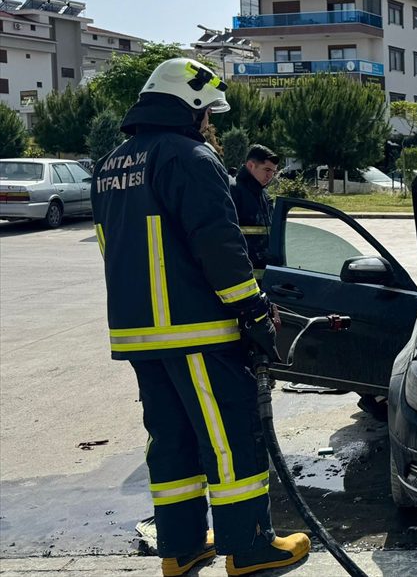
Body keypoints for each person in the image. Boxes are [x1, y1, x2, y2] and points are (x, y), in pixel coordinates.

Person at [90, 58, 309, 577]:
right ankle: (250, 547)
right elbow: (218, 245)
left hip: (141, 335)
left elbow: (113, 249)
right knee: (228, 437)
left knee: (172, 441)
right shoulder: (190, 157)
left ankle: (181, 547)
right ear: (187, 105)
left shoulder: (111, 165)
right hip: (198, 331)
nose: (210, 121)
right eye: (207, 110)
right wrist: (253, 308)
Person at [230, 145, 280, 281]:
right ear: (251, 165)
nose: (270, 176)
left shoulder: (264, 195)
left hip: (263, 278)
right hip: (242, 277)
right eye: (267, 170)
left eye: (274, 172)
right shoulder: (233, 191)